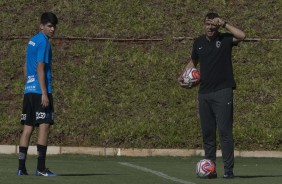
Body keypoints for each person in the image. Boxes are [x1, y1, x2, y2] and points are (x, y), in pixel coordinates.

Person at [179, 12, 246, 179]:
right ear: (204, 25)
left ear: (217, 26)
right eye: (208, 24)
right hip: (204, 94)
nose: (210, 27)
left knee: (224, 132)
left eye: (213, 25)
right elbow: (193, 62)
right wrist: (183, 76)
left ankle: (228, 170)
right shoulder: (199, 42)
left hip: (223, 92)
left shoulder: (224, 40)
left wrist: (224, 23)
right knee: (208, 133)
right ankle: (210, 169)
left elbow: (242, 36)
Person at [17, 12, 58, 176]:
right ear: (41, 26)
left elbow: (26, 64)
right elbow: (40, 66)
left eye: (54, 26)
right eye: (49, 26)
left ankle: (21, 167)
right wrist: (43, 93)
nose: (52, 29)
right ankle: (40, 168)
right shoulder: (44, 42)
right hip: (40, 91)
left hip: (29, 91)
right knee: (44, 126)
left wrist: (28, 83)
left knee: (27, 128)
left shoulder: (32, 41)